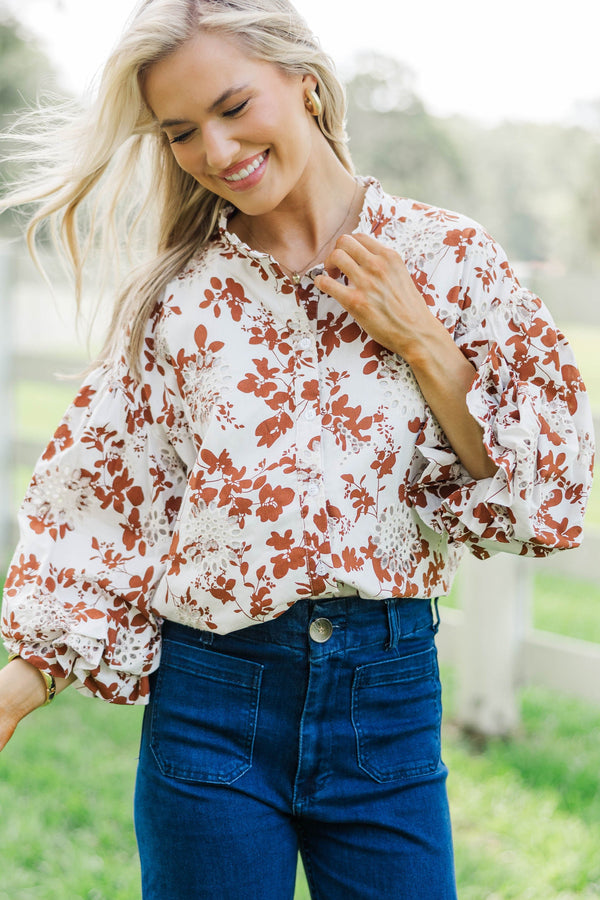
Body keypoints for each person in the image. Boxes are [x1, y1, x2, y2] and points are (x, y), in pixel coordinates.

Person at [0, 0, 595, 897]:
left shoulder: (451, 259)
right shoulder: (180, 300)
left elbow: (541, 492)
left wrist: (425, 342)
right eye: (182, 132)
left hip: (385, 701)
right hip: (212, 703)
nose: (216, 150)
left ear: (305, 85)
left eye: (234, 107)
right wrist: (22, 681)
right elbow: (110, 499)